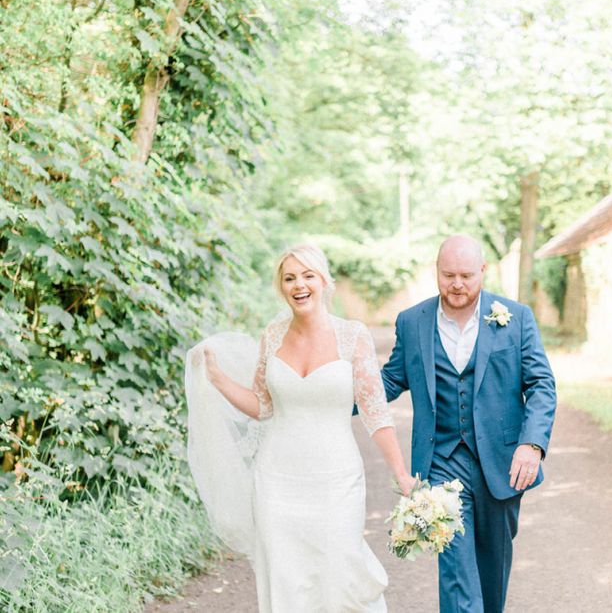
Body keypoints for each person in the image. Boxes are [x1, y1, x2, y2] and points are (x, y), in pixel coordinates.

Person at [185, 244, 416, 612]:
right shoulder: (273, 336)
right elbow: (262, 405)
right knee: (286, 580)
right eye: (289, 278)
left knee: (341, 576)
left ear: (325, 281)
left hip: (337, 481)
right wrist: (217, 378)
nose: (299, 284)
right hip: (276, 481)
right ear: (281, 287)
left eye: (308, 275)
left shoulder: (353, 336)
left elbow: (375, 413)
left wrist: (401, 473)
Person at [380, 234, 557, 613]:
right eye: (448, 275)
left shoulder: (516, 317)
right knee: (458, 573)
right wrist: (327, 395)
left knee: (492, 578)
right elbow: (390, 381)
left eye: (465, 275)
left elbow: (541, 384)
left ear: (482, 271)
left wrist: (532, 444)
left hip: (502, 462)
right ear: (437, 272)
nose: (456, 284)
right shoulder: (412, 322)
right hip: (441, 463)